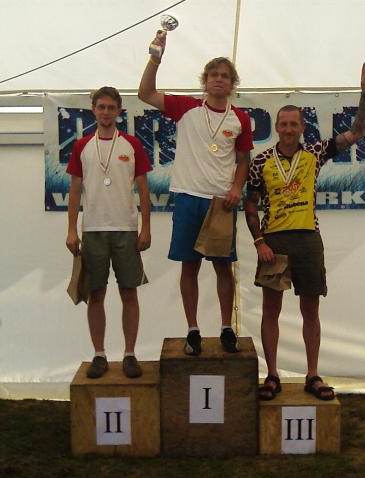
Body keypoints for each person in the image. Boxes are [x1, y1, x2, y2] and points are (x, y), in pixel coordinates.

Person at [245, 62, 365, 400]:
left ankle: (312, 374)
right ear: (276, 127)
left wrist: (364, 96)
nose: (289, 129)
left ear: (302, 127)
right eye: (284, 124)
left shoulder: (315, 153)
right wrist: (258, 241)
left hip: (307, 238)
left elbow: (356, 133)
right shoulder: (260, 161)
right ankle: (272, 375)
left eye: (294, 124)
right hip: (273, 242)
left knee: (310, 310)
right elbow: (250, 205)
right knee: (271, 311)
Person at [138, 31, 253, 356]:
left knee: (223, 267)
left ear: (232, 83)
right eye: (213, 74)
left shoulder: (240, 119)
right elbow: (145, 93)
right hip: (189, 196)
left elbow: (244, 160)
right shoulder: (186, 107)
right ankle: (192, 330)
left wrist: (236, 188)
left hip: (221, 202)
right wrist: (155, 58)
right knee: (189, 266)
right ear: (205, 80)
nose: (219, 79)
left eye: (225, 75)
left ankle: (226, 328)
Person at [66, 86, 152, 379]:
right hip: (93, 229)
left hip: (126, 228)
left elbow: (143, 189)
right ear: (93, 109)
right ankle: (99, 354)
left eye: (111, 108)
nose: (106, 112)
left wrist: (145, 228)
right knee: (96, 293)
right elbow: (75, 189)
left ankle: (130, 354)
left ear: (119, 111)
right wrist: (71, 230)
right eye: (101, 107)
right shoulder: (82, 146)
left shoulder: (131, 144)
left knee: (129, 292)